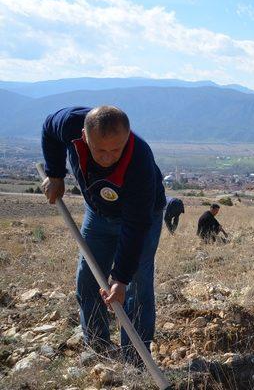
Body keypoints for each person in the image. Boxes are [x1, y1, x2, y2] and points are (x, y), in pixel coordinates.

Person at [41, 105, 165, 362]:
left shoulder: (139, 158)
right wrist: (55, 174)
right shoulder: (69, 123)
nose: (108, 157)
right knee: (88, 279)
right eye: (100, 150)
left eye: (116, 150)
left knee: (135, 287)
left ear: (128, 137)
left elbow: (136, 225)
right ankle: (97, 349)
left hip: (142, 218)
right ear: (85, 137)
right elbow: (48, 130)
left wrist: (120, 278)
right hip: (98, 214)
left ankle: (135, 361)